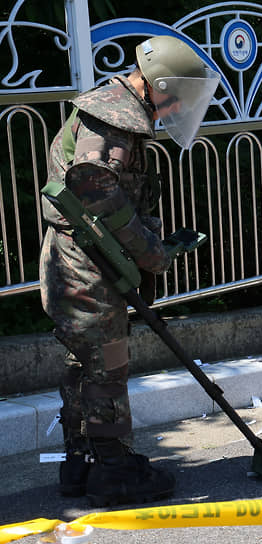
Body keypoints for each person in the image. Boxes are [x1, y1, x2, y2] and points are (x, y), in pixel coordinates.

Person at [39, 35, 219, 506]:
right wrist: (151, 254)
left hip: (82, 260)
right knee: (106, 368)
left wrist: (146, 248)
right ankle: (114, 472)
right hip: (86, 265)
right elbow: (93, 187)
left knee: (85, 365)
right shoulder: (113, 119)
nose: (177, 105)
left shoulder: (117, 112)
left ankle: (79, 465)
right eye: (175, 94)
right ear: (156, 84)